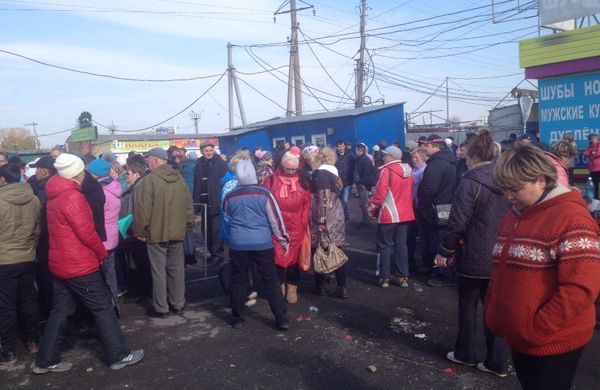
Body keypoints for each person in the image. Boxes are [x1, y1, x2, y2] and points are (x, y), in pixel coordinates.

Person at [486, 143, 600, 389]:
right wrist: (496, 310)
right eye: (504, 189)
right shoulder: (517, 212)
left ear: (540, 180)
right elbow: (501, 269)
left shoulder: (571, 218)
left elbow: (581, 289)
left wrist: (535, 328)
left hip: (551, 340)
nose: (508, 196)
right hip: (520, 336)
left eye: (515, 189)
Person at [35, 154, 143, 373]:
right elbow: (87, 232)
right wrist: (101, 252)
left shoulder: (54, 193)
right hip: (79, 263)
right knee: (102, 307)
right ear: (76, 172)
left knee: (60, 310)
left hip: (60, 262)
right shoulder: (73, 197)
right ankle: (119, 354)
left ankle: (45, 360)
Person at [433, 130, 509, 377]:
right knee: (494, 308)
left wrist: (446, 249)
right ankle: (497, 361)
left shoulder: (470, 182)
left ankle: (465, 353)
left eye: (466, 152)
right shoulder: (505, 180)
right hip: (500, 257)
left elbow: (458, 222)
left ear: (473, 155)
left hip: (475, 255)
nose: (463, 156)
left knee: (467, 305)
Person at [222, 159, 290, 330]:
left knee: (238, 279)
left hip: (238, 243)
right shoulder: (264, 194)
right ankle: (281, 318)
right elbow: (275, 220)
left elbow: (226, 214)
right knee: (270, 279)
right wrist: (284, 240)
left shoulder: (230, 196)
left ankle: (237, 317)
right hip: (262, 243)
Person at [134, 148, 195, 318]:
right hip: (177, 231)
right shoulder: (179, 179)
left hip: (156, 233)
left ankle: (161, 308)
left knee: (158, 271)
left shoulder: (149, 180)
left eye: (148, 161)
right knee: (176, 269)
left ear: (154, 161)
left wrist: (139, 230)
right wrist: (188, 224)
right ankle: (178, 303)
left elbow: (142, 209)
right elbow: (188, 204)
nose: (147, 164)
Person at [0, 163, 41, 364]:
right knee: (29, 301)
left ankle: (8, 351)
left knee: (6, 306)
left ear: (2, 179)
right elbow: (37, 230)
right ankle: (33, 341)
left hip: (4, 260)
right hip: (27, 257)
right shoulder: (33, 199)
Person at [263, 151, 310, 304]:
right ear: (282, 166)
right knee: (278, 257)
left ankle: (292, 287)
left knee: (295, 259)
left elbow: (307, 204)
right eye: (288, 169)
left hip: (297, 224)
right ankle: (280, 286)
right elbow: (265, 201)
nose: (290, 172)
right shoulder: (271, 180)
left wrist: (303, 223)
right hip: (277, 224)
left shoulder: (303, 180)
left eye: (293, 169)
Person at [367, 146, 415, 289]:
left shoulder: (386, 170)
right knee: (401, 245)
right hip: (405, 213)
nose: (383, 157)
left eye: (386, 155)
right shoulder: (408, 170)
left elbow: (380, 193)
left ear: (392, 157)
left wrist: (370, 209)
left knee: (384, 246)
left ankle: (384, 277)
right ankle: (402, 276)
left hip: (389, 213)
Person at [416, 135, 456, 286]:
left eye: (427, 146)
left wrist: (422, 203)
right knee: (442, 237)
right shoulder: (450, 161)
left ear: (436, 147)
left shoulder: (436, 164)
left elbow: (429, 188)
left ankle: (441, 273)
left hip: (435, 207)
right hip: (446, 205)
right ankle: (439, 270)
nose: (425, 149)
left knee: (436, 240)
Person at [310, 147, 348, 298]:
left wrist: (321, 220)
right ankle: (342, 287)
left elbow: (323, 198)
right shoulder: (335, 174)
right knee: (336, 250)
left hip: (326, 217)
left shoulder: (321, 174)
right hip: (337, 214)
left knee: (321, 251)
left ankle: (319, 287)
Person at [88, 158, 123, 299]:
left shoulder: (100, 192)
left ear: (95, 174)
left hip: (102, 239)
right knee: (110, 271)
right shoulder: (114, 187)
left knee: (103, 274)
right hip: (112, 237)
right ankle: (113, 300)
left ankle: (108, 304)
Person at [119, 155, 151, 298]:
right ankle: (143, 289)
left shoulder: (139, 186)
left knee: (142, 262)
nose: (126, 177)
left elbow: (139, 210)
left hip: (137, 230)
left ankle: (144, 291)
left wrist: (138, 230)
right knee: (140, 261)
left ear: (136, 173)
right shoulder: (138, 185)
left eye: (128, 173)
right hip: (134, 229)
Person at [193, 141, 228, 267]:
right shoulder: (199, 164)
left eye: (211, 150)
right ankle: (211, 254)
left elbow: (225, 182)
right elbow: (196, 183)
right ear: (202, 151)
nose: (209, 153)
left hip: (216, 202)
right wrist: (195, 203)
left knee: (216, 231)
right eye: (206, 151)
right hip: (204, 204)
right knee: (205, 231)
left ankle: (218, 256)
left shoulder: (220, 164)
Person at [30, 156, 57, 319]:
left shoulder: (42, 190)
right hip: (53, 243)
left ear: (44, 171)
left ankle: (50, 317)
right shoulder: (53, 185)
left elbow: (38, 219)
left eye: (37, 169)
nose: (35, 172)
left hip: (45, 245)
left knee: (47, 284)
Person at [407, 148, 428, 272]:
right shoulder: (414, 169)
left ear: (423, 158)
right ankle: (411, 261)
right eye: (413, 157)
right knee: (411, 235)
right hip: (411, 204)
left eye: (417, 158)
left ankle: (418, 262)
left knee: (416, 234)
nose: (414, 160)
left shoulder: (424, 170)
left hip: (417, 205)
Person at [354, 143, 378, 224]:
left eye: (356, 150)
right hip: (362, 184)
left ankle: (366, 220)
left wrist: (362, 183)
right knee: (363, 203)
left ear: (359, 150)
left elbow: (367, 174)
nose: (355, 151)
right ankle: (366, 218)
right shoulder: (362, 159)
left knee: (364, 203)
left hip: (363, 185)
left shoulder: (364, 160)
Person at [335, 140, 356, 224]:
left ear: (345, 146)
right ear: (337, 147)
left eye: (342, 146)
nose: (341, 148)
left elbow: (355, 166)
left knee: (345, 200)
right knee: (339, 201)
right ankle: (344, 218)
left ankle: (343, 217)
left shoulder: (350, 155)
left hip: (348, 182)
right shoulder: (334, 156)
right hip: (338, 182)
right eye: (339, 146)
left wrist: (354, 177)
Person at [584, 133, 600, 198]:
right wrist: (592, 153)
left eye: (594, 139)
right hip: (592, 169)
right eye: (591, 139)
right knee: (595, 185)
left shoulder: (599, 144)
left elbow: (598, 154)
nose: (593, 140)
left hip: (599, 168)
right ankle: (596, 198)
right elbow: (585, 153)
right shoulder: (590, 146)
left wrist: (591, 156)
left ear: (597, 139)